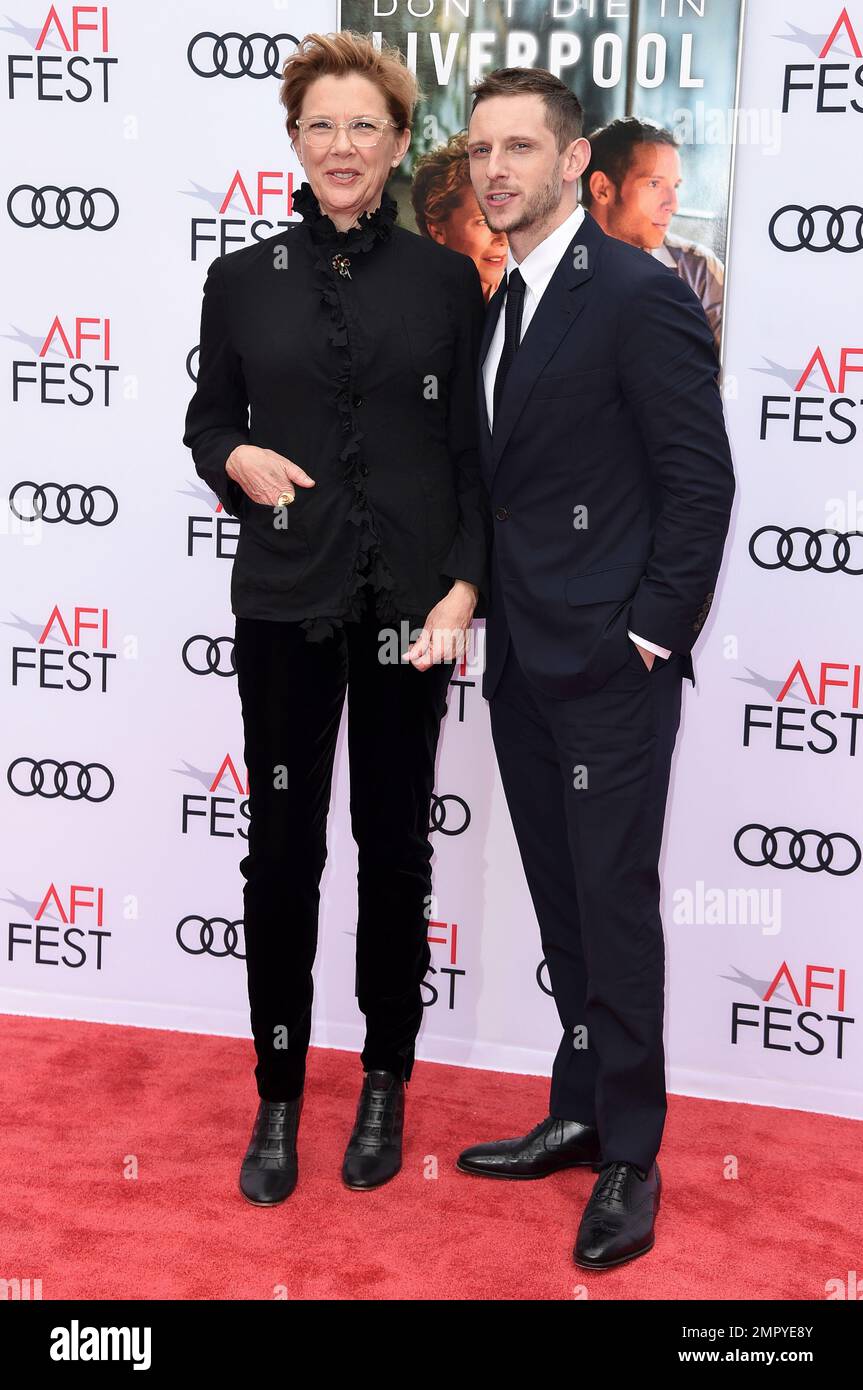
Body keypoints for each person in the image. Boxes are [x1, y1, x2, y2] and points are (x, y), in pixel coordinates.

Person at [182, 31, 488, 1207]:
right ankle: (276, 1095)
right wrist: (233, 455)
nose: (343, 145)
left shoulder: (444, 283)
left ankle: (383, 1080)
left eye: (365, 125)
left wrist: (464, 586)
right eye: (321, 125)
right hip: (285, 607)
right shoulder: (241, 278)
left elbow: (471, 453)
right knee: (283, 854)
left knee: (395, 849)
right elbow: (207, 422)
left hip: (412, 613)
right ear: (293, 141)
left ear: (401, 144)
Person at [456, 68, 735, 1269]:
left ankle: (630, 1150)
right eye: (479, 150)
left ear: (576, 163)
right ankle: (578, 1104)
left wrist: (646, 634)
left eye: (521, 146)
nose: (495, 169)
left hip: (609, 666)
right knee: (565, 902)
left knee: (612, 905)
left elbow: (698, 482)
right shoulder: (499, 299)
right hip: (522, 658)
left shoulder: (633, 292)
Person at [582, 117, 725, 353]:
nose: (673, 204)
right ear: (602, 189)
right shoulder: (551, 264)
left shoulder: (699, 271)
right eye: (654, 184)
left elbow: (734, 372)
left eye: (675, 186)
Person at [410, 131, 508, 301]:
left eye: (506, 216)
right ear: (438, 231)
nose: (503, 237)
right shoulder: (411, 307)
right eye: (483, 221)